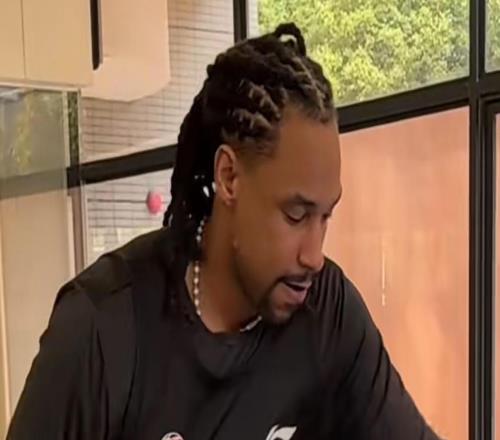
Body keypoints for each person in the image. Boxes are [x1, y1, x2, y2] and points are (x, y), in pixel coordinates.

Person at [7, 23, 441, 440]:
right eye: (295, 215)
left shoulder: (328, 313)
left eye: (325, 217)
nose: (314, 256)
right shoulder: (102, 329)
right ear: (229, 177)